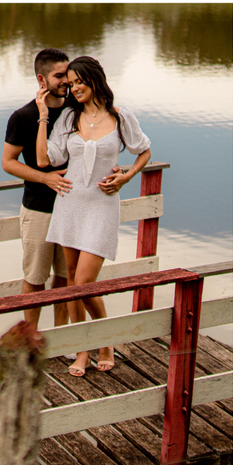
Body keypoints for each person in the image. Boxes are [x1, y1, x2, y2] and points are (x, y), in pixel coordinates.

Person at [36, 55, 152, 376]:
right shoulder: (69, 119)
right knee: (72, 282)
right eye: (70, 84)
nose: (74, 89)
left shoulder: (120, 116)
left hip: (102, 206)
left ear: (94, 78)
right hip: (70, 205)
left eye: (78, 82)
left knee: (85, 282)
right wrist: (44, 116)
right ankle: (83, 350)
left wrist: (126, 176)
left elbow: (144, 151)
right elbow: (45, 160)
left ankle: (106, 340)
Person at [3, 48, 73, 329]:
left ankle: (62, 337)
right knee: (35, 278)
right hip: (39, 209)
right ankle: (32, 338)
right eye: (59, 76)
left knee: (66, 277)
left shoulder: (75, 112)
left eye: (68, 75)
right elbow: (8, 163)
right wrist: (45, 178)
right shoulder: (23, 116)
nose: (66, 81)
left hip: (72, 208)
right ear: (42, 80)